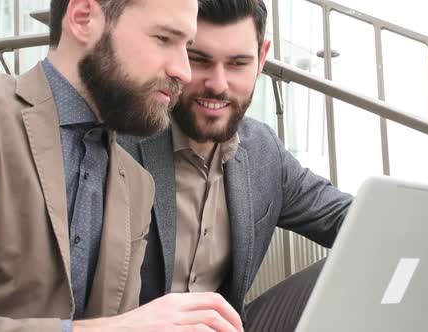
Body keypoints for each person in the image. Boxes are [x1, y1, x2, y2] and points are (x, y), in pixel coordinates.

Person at [0, 0, 244, 331]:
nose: (183, 71)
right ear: (83, 18)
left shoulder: (136, 184)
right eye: (164, 39)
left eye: (186, 46)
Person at [118, 0, 354, 331]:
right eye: (199, 60)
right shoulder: (119, 141)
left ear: (261, 58)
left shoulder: (262, 151)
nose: (217, 84)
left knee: (359, 262)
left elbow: (347, 218)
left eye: (237, 63)